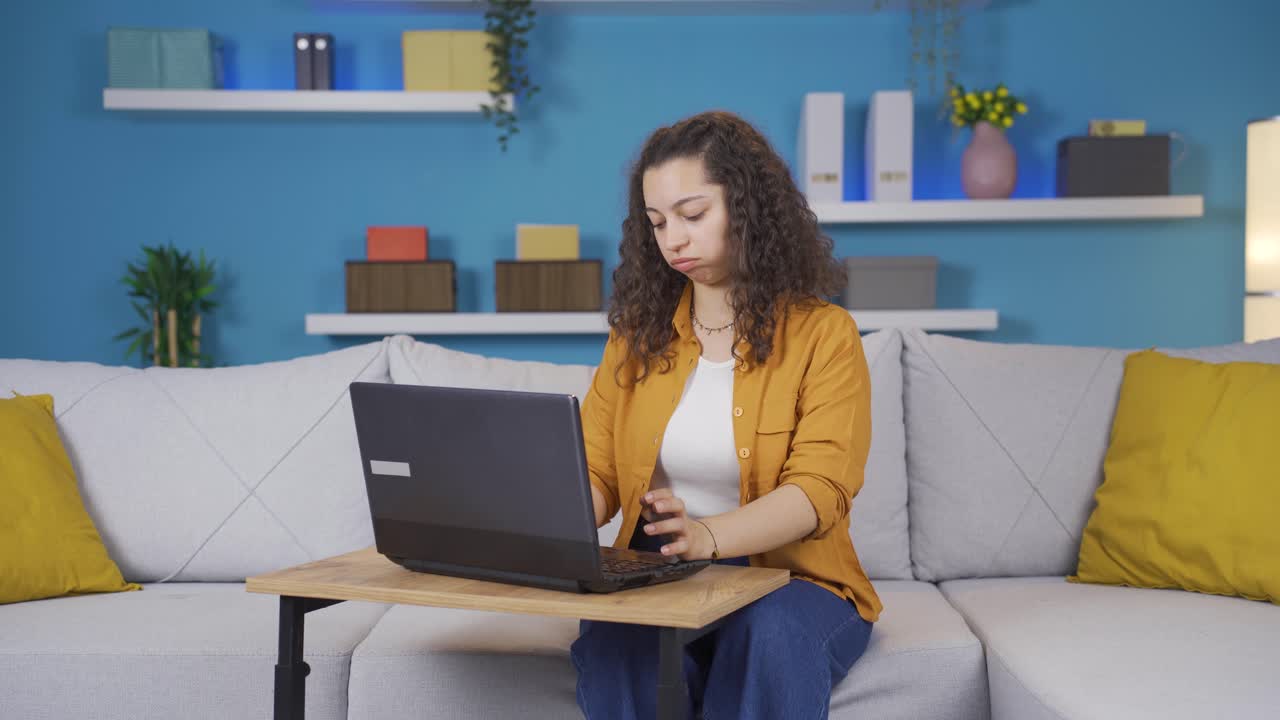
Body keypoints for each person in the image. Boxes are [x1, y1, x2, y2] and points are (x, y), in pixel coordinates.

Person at [571, 110, 882, 720]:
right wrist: (540, 518)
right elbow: (598, 473)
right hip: (656, 575)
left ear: (747, 206)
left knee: (766, 638)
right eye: (657, 223)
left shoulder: (826, 334)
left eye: (693, 215)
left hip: (797, 581)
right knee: (617, 647)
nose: (673, 240)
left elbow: (819, 491)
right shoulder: (636, 338)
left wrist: (707, 538)